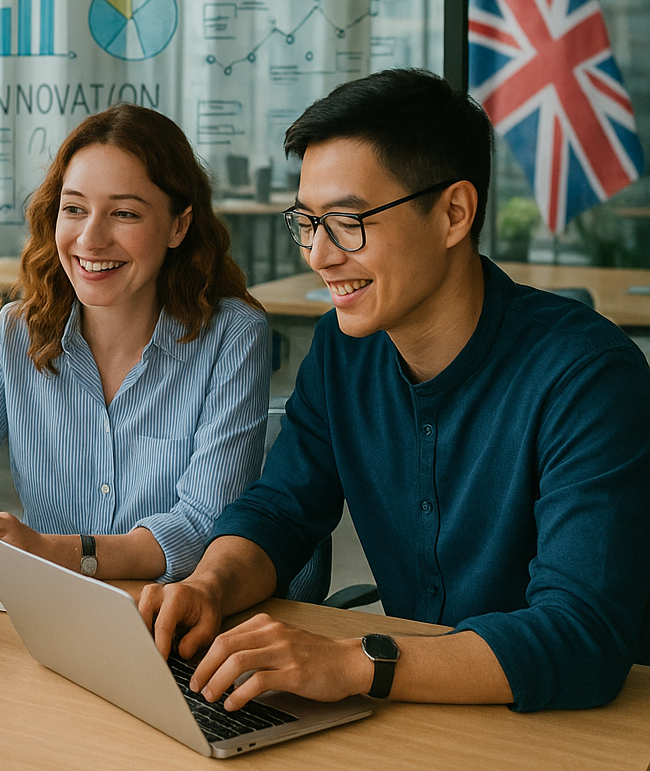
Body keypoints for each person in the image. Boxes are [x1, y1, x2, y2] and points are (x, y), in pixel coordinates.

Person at [138, 68, 650, 713]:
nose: (319, 254)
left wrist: (354, 663)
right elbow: (280, 511)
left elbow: (582, 637)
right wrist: (208, 586)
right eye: (308, 221)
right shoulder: (342, 351)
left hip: (572, 730)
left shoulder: (588, 377)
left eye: (348, 220)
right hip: (420, 711)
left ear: (453, 214)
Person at [0, 105, 270, 584]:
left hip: (167, 620)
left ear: (178, 225)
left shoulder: (233, 337)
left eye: (124, 213)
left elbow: (204, 527)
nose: (90, 238)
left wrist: (50, 551)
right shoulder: (16, 333)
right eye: (74, 209)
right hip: (44, 616)